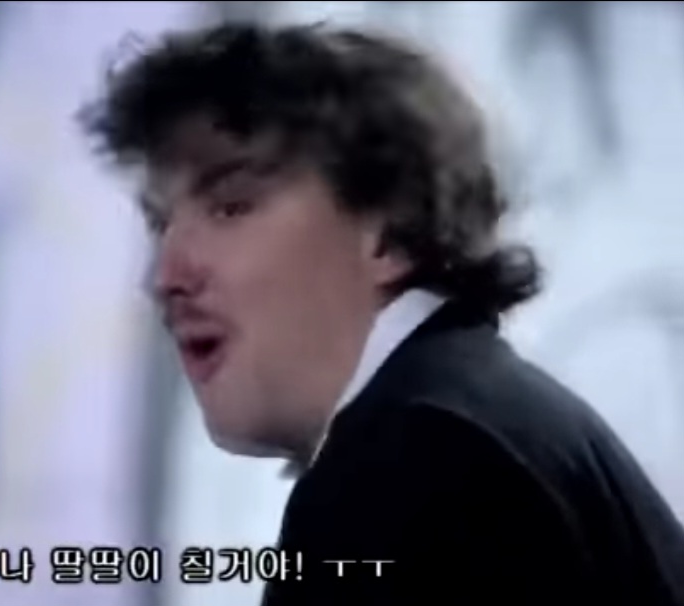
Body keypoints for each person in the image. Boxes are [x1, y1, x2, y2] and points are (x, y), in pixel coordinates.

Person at [78, 22, 684, 605]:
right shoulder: (469, 423)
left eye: (232, 206)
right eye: (161, 223)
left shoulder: (419, 461)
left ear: (388, 232)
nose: (165, 278)